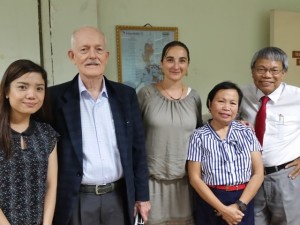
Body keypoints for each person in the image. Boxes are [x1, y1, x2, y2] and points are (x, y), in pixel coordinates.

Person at [49, 26, 151, 225]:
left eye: (98, 49)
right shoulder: (55, 99)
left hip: (119, 197)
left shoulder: (125, 96)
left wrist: (142, 196)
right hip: (77, 198)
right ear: (72, 56)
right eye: (84, 49)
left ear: (106, 55)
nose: (92, 56)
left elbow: (138, 150)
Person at [137, 40, 202, 225]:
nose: (176, 65)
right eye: (170, 59)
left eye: (182, 60)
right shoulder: (145, 94)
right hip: (152, 184)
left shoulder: (194, 97)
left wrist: (237, 123)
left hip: (185, 184)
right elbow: (134, 139)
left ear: (188, 65)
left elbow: (202, 134)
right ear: (161, 63)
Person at [187, 81, 264, 225]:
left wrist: (240, 205)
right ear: (210, 104)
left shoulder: (246, 132)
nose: (226, 108)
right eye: (221, 101)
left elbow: (259, 172)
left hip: (243, 199)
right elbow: (195, 178)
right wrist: (222, 209)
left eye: (233, 103)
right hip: (211, 200)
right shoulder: (198, 136)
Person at [239, 47, 300, 225]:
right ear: (252, 71)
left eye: (274, 70)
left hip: (286, 177)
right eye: (261, 69)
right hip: (249, 176)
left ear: (284, 73)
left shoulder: (297, 97)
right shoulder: (240, 95)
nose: (267, 75)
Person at [0, 59, 58, 225]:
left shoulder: (47, 133)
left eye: (39, 88)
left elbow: (51, 186)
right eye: (22, 87)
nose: (32, 95)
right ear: (6, 91)